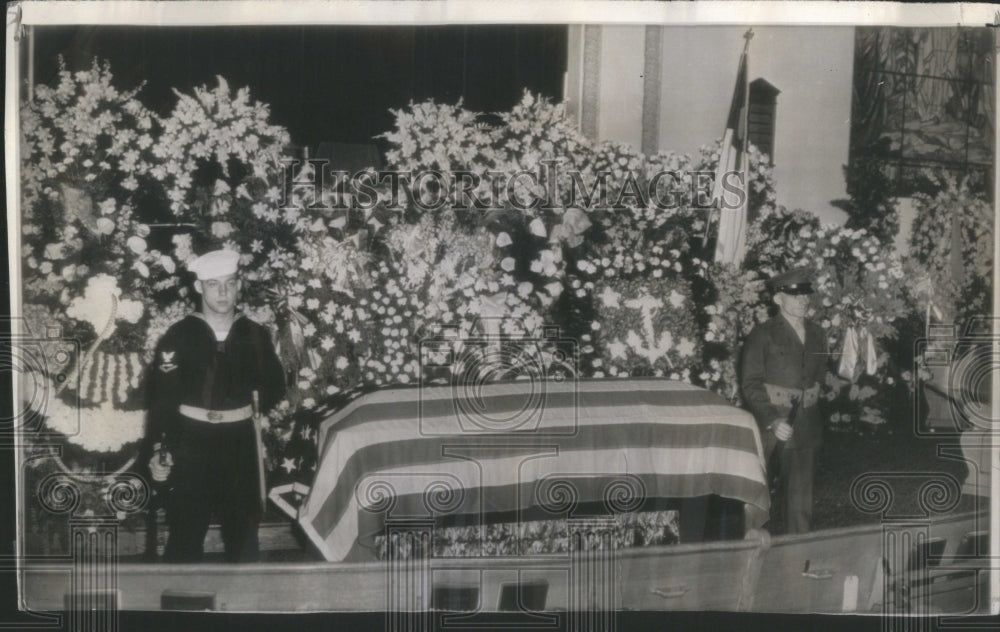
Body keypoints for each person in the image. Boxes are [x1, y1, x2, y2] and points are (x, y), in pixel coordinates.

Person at [145, 248, 286, 562]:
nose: (223, 293)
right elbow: (162, 400)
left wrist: (251, 401)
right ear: (199, 287)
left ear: (239, 285)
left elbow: (275, 386)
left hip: (239, 443)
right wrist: (159, 449)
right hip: (191, 443)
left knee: (244, 541)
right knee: (184, 540)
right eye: (213, 284)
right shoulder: (179, 336)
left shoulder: (254, 334)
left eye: (230, 283)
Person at [740, 267, 828, 534]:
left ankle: (797, 551)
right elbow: (750, 383)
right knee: (756, 494)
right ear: (778, 299)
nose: (803, 300)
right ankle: (750, 546)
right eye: (795, 295)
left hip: (805, 423)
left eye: (806, 295)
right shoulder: (762, 334)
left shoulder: (817, 333)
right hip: (770, 422)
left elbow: (819, 376)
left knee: (799, 500)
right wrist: (773, 420)